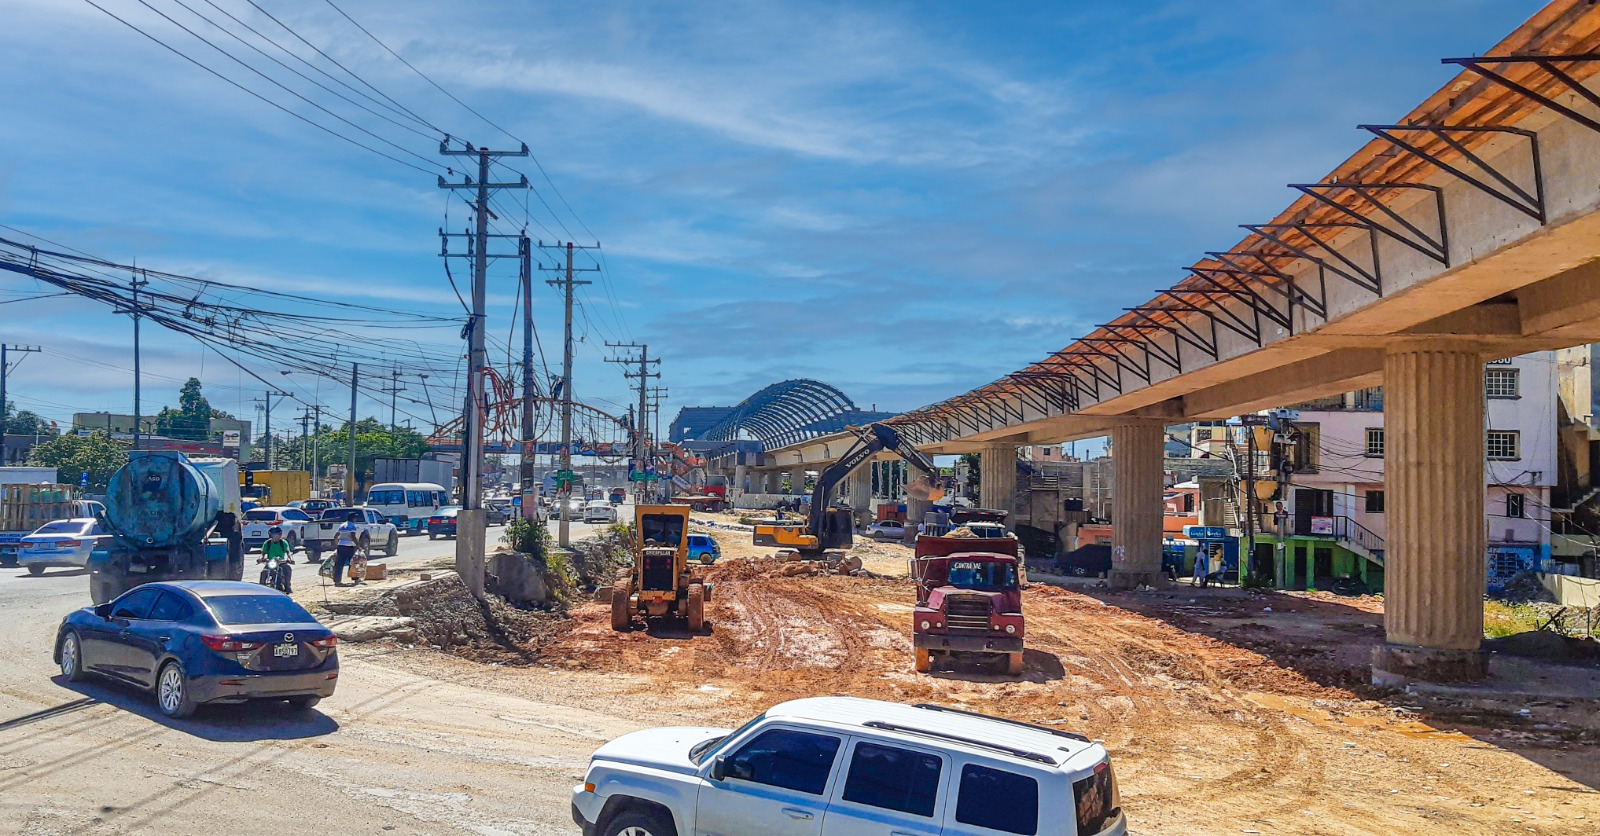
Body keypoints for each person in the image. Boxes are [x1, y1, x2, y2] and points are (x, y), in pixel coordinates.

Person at [258, 526, 294, 594]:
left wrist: (290, 559)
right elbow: (262, 553)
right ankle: (261, 588)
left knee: (287, 569)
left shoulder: (283, 542)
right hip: (270, 562)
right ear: (270, 535)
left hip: (281, 562)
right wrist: (260, 559)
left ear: (280, 535)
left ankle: (287, 586)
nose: (276, 537)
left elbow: (288, 552)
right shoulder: (267, 543)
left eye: (277, 535)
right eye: (274, 535)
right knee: (264, 572)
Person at [333, 511, 362, 586]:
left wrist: (337, 544)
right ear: (353, 518)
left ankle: (337, 581)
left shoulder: (342, 525)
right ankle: (355, 578)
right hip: (349, 546)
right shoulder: (352, 526)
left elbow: (336, 536)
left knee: (339, 564)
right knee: (353, 563)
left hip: (341, 546)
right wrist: (358, 545)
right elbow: (353, 536)